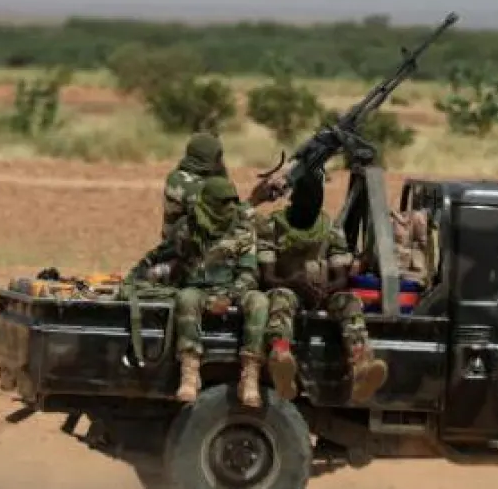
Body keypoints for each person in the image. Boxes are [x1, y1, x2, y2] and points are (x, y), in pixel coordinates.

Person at [129, 175, 269, 408]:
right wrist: (143, 274)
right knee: (186, 298)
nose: (230, 207)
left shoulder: (243, 229)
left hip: (232, 290)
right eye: (224, 202)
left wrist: (230, 296)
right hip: (198, 289)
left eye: (233, 201)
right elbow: (165, 254)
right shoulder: (188, 227)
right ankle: (190, 373)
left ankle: (250, 375)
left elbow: (249, 274)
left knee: (260, 302)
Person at [256, 173, 389, 403]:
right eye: (305, 203)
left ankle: (361, 364)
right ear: (293, 201)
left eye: (314, 205)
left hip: (322, 291)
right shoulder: (273, 225)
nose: (309, 209)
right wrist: (293, 282)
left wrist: (327, 289)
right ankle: (280, 357)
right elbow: (268, 277)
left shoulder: (329, 228)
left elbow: (341, 276)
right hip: (288, 288)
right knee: (280, 299)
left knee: (350, 301)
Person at [161, 132, 229, 241]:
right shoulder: (193, 187)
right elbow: (231, 217)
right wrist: (254, 200)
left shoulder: (176, 176)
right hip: (184, 253)